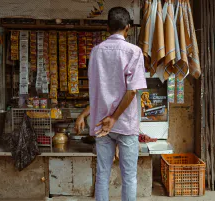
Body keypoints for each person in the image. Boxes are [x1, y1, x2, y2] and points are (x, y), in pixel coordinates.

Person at [74, 7, 147, 201]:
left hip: (101, 124)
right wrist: (114, 118)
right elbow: (132, 90)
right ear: (128, 27)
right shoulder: (134, 52)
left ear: (107, 27)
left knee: (102, 174)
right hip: (124, 123)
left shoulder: (96, 52)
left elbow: (98, 92)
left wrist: (89, 115)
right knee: (129, 177)